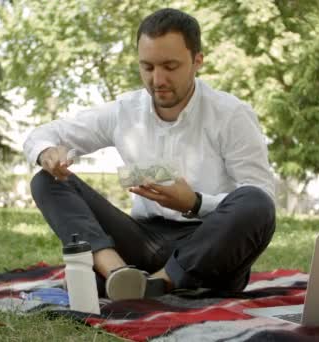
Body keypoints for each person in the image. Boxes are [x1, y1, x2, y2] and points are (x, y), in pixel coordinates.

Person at [24, 8, 276, 300]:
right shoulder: (125, 112)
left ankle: (158, 283)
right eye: (147, 67)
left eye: (170, 66)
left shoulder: (231, 115)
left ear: (197, 61)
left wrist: (194, 203)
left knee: (256, 203)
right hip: (142, 241)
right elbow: (41, 135)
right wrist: (47, 152)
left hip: (210, 244)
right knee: (46, 180)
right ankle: (118, 273)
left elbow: (261, 198)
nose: (157, 79)